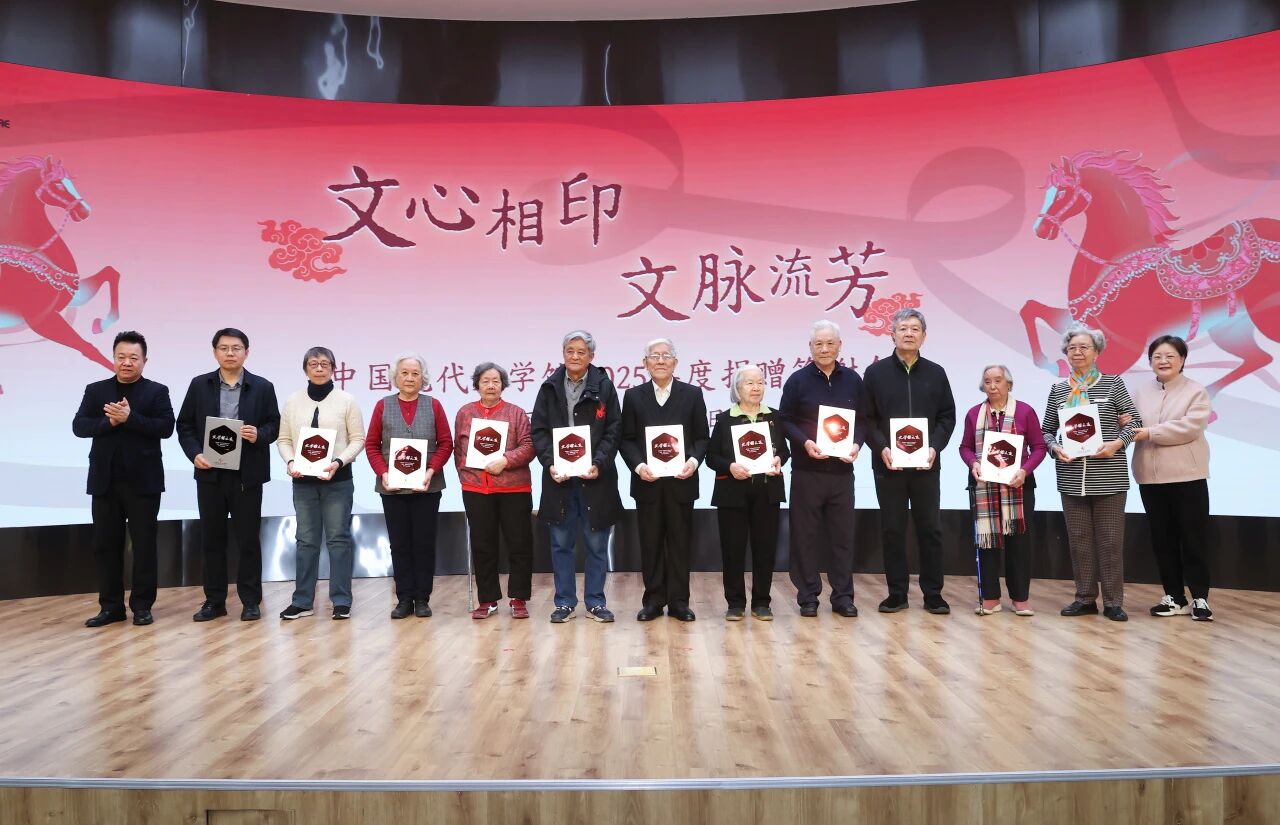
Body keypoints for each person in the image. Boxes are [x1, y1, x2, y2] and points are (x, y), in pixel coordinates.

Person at [177, 328, 280, 623]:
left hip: (247, 475)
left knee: (248, 540)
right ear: (215, 352)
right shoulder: (200, 385)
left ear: (247, 352)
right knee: (212, 539)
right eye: (224, 348)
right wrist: (195, 454)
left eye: (236, 348)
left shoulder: (262, 386)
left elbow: (274, 424)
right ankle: (214, 601)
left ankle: (251, 601)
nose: (230, 353)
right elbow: (184, 425)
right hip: (210, 473)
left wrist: (259, 434)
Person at [73, 330, 174, 627]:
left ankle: (142, 606)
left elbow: (166, 427)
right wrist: (109, 421)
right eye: (121, 357)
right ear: (114, 358)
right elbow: (80, 426)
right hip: (104, 481)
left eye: (133, 357)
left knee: (144, 546)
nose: (127, 362)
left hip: (143, 482)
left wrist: (131, 419)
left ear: (144, 361)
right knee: (105, 545)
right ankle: (111, 607)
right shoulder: (96, 390)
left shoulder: (156, 391)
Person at [1041, 325, 1141, 622]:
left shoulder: (1112, 384)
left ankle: (1113, 602)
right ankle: (1084, 598)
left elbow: (1134, 422)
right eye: (1072, 347)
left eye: (1084, 347)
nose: (1078, 352)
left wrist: (1117, 444)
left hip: (1109, 477)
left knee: (1110, 542)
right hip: (1071, 477)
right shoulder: (1058, 390)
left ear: (1097, 352)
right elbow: (1046, 430)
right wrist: (1055, 448)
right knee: (1079, 541)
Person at [864, 308, 957, 615]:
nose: (908, 333)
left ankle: (933, 594)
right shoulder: (875, 373)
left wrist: (934, 447)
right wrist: (881, 448)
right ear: (892, 335)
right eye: (903, 328)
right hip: (888, 466)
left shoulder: (936, 373)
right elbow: (867, 418)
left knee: (930, 529)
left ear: (923, 336)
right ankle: (897, 593)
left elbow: (947, 417)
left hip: (925, 466)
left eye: (915, 329)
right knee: (892, 530)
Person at [530, 330, 623, 624]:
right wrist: (550, 463)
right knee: (561, 544)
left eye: (581, 352)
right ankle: (564, 602)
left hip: (595, 478)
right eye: (570, 351)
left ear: (591, 356)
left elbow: (614, 430)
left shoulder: (604, 386)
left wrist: (598, 463)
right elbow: (538, 431)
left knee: (596, 545)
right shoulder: (549, 387)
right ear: (563, 354)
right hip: (559, 480)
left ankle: (596, 602)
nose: (575, 356)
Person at [779, 319, 867, 618]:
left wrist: (856, 444)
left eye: (830, 343)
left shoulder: (853, 380)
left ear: (840, 346)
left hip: (842, 473)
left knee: (842, 538)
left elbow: (863, 420)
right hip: (807, 471)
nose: (825, 348)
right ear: (810, 347)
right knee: (805, 537)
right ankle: (808, 596)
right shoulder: (797, 381)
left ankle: (843, 597)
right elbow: (785, 420)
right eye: (819, 344)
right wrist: (804, 443)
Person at [620, 338, 710, 622]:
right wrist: (639, 466)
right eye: (654, 356)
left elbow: (701, 437)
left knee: (680, 544)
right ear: (645, 363)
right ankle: (653, 601)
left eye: (666, 355)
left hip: (682, 482)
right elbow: (627, 439)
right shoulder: (633, 396)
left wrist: (693, 462)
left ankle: (679, 602)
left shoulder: (692, 394)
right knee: (650, 544)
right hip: (647, 483)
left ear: (675, 362)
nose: (660, 360)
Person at [276, 347, 365, 621]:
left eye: (325, 364)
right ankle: (302, 601)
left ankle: (341, 601)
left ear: (333, 369)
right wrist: (291, 461)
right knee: (306, 541)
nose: (319, 368)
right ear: (305, 369)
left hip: (338, 481)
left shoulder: (347, 401)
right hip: (303, 482)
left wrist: (338, 461)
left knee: (338, 540)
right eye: (313, 363)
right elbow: (284, 439)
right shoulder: (293, 401)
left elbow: (358, 439)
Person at [1130, 335, 1214, 621]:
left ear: (1182, 360)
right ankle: (1174, 597)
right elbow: (1130, 423)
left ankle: (1200, 598)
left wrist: (1150, 432)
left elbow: (1189, 428)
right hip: (1150, 477)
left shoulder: (1195, 391)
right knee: (1162, 541)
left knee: (1193, 539)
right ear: (1150, 361)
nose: (1163, 361)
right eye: (1157, 356)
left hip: (1187, 476)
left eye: (1170, 356)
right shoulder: (1140, 392)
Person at [364, 353, 452, 619]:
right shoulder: (382, 405)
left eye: (415, 373)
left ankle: (422, 598)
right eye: (404, 373)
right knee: (399, 544)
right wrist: (383, 473)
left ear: (423, 378)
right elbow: (372, 445)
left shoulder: (434, 405)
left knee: (424, 543)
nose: (410, 378)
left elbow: (446, 443)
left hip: (427, 487)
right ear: (395, 376)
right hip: (392, 489)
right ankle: (404, 598)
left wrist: (431, 470)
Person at [957, 365, 1048, 616]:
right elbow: (965, 447)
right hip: (984, 487)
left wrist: (1025, 471)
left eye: (998, 380)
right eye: (988, 381)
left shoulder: (1025, 411)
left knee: (1019, 542)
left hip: (1018, 486)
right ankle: (990, 597)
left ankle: (1020, 598)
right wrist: (973, 463)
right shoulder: (974, 413)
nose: (993, 385)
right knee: (987, 542)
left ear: (1009, 383)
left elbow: (1039, 447)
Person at [453, 362, 536, 620]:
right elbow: (459, 450)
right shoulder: (465, 413)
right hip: (476, 489)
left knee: (519, 544)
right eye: (485, 381)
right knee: (483, 545)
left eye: (496, 381)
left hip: (514, 488)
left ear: (503, 385)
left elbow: (529, 446)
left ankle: (518, 598)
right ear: (477, 385)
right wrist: (467, 476)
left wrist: (506, 461)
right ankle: (487, 599)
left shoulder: (516, 413)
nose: (491, 385)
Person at [706, 365, 790, 621]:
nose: (756, 388)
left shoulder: (774, 417)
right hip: (732, 493)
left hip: (767, 491)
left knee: (765, 549)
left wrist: (779, 459)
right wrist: (730, 466)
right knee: (733, 549)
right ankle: (735, 603)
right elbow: (711, 457)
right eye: (749, 383)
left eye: (760, 382)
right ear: (737, 388)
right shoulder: (725, 419)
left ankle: (762, 602)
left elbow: (784, 451)